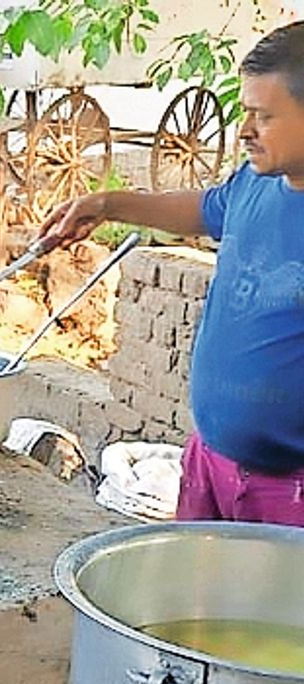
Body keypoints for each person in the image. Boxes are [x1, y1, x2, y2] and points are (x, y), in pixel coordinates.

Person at [39, 21, 304, 526]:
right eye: (245, 112)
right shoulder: (255, 184)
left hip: (290, 490)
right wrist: (109, 204)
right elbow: (204, 209)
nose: (244, 131)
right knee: (195, 577)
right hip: (211, 458)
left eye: (264, 116)